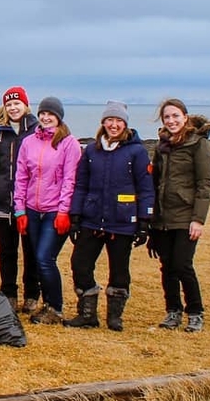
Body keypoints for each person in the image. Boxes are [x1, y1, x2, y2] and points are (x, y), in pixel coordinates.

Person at [65, 101, 155, 331]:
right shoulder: (92, 150)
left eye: (118, 121)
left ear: (125, 124)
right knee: (80, 264)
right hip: (91, 218)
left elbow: (145, 188)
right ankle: (87, 315)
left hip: (123, 221)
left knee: (119, 270)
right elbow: (81, 185)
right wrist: (75, 217)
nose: (113, 125)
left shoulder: (136, 152)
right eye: (110, 120)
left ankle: (115, 316)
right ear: (103, 122)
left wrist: (144, 221)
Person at [12, 96, 82, 324]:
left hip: (54, 210)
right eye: (43, 113)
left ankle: (55, 307)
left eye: (50, 114)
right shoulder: (29, 142)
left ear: (59, 117)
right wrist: (19, 210)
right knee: (34, 257)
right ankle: (47, 303)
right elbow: (21, 177)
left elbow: (70, 180)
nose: (45, 117)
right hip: (32, 209)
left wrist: (64, 211)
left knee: (45, 258)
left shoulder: (69, 144)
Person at [149, 98, 210, 333]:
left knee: (182, 264)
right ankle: (172, 311)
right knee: (167, 266)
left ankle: (195, 312)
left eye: (175, 116)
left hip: (186, 215)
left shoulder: (198, 144)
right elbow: (155, 181)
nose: (171, 120)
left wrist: (198, 219)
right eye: (167, 117)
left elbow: (205, 183)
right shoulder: (162, 146)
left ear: (185, 117)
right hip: (163, 216)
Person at [0, 86, 41, 313]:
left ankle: (32, 294)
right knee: (7, 251)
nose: (13, 108)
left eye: (17, 103)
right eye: (9, 104)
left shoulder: (35, 131)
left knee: (30, 251)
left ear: (25, 105)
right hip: (2, 203)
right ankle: (8, 293)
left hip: (28, 205)